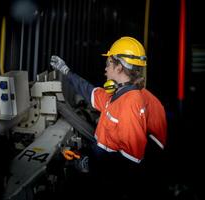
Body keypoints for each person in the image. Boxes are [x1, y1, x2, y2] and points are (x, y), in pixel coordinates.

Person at [50, 36, 167, 200]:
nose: (105, 69)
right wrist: (66, 72)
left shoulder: (130, 105)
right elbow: (90, 92)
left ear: (119, 67)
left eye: (109, 63)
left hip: (125, 180)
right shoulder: (121, 92)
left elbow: (129, 165)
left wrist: (90, 165)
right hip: (110, 161)